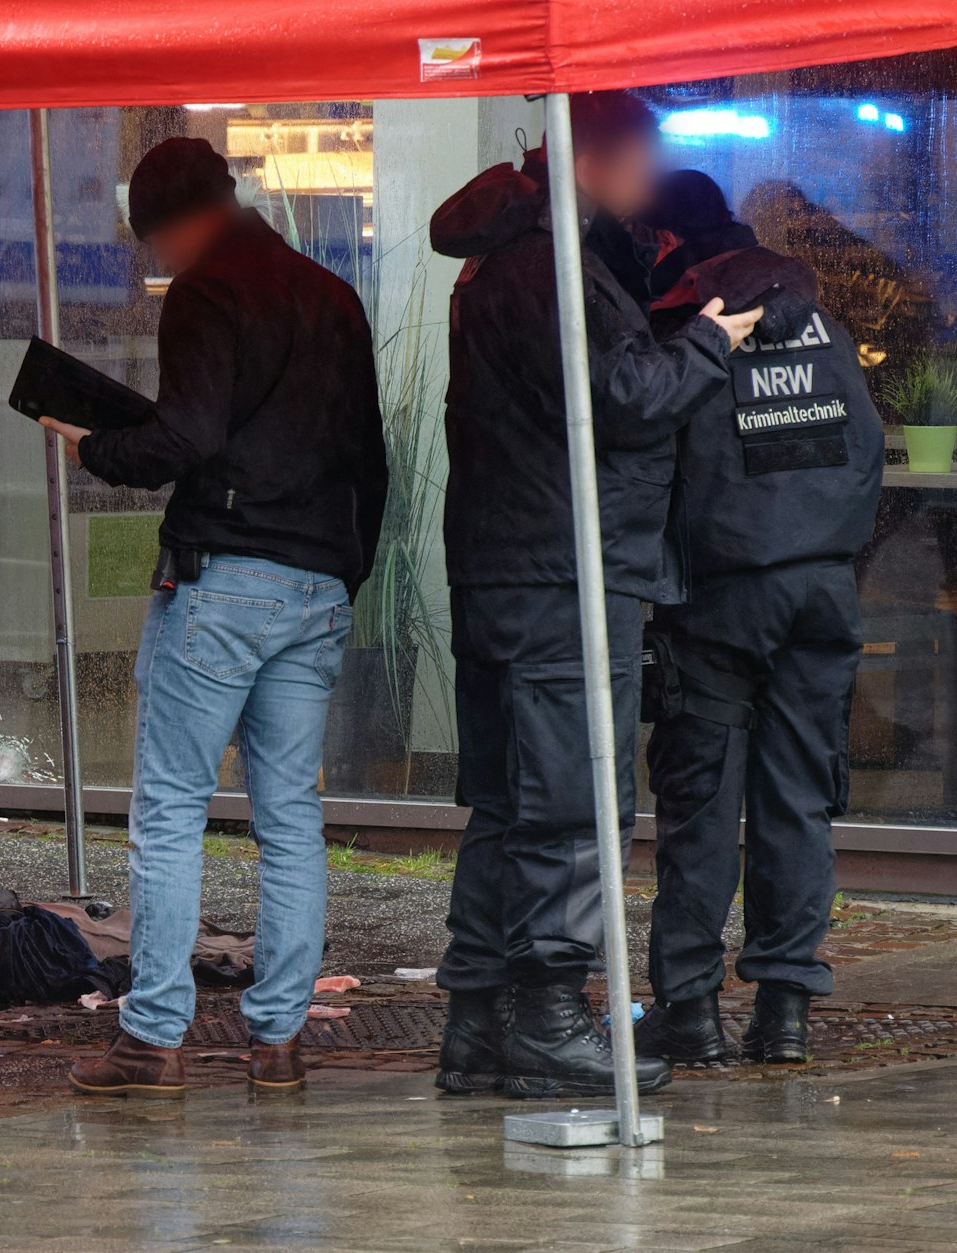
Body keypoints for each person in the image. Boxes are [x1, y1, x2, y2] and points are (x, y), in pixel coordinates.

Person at [428, 93, 763, 1099]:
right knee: (572, 802)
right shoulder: (553, 260)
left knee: (504, 802)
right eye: (641, 159)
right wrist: (709, 341)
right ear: (597, 155)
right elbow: (622, 401)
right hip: (562, 569)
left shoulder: (511, 252)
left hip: (508, 564)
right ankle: (545, 1019)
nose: (649, 184)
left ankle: (476, 1022)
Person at [41, 137, 387, 1095]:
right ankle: (277, 1043)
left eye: (152, 242)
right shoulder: (331, 295)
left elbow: (185, 435)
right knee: (291, 823)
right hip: (315, 586)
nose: (157, 262)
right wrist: (341, 573)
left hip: (222, 579)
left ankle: (150, 1042)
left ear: (176, 222)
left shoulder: (206, 290)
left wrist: (94, 448)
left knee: (170, 815)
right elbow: (373, 460)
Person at [635, 173, 883, 1066]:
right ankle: (783, 1012)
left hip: (721, 601)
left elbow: (660, 464)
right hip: (821, 592)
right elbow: (864, 459)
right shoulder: (825, 326)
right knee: (798, 801)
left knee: (701, 804)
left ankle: (692, 1011)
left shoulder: (690, 328)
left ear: (668, 244)